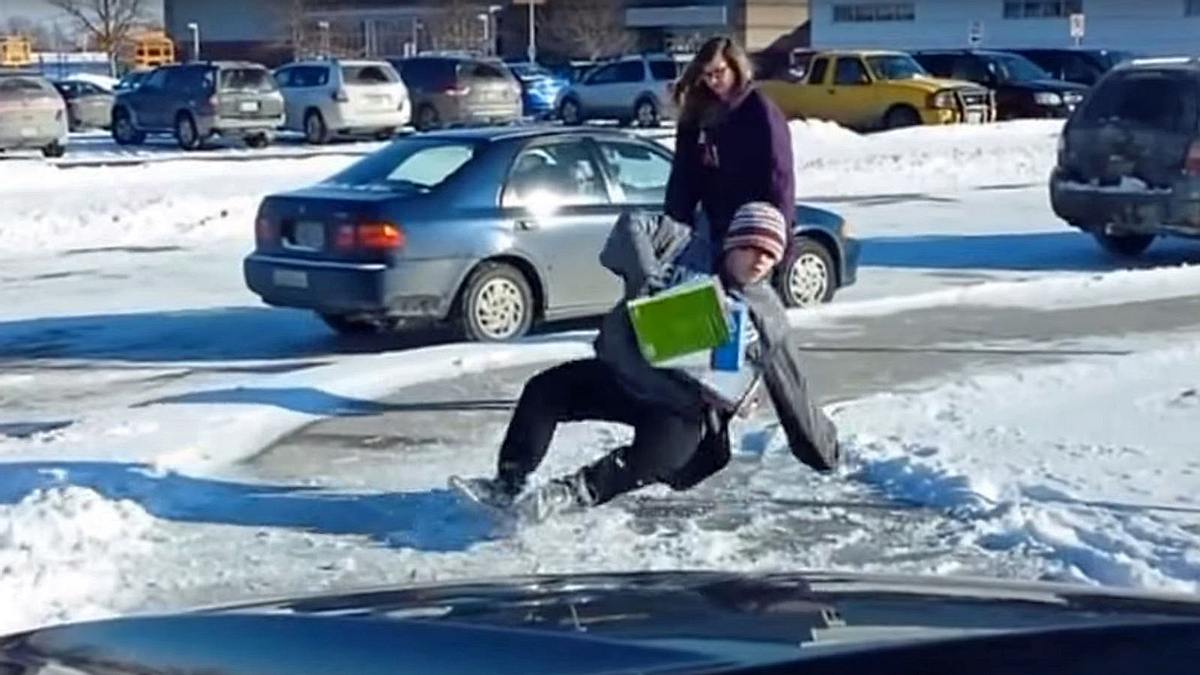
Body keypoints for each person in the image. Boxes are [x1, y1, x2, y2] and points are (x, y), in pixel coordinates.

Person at [453, 202, 840, 521]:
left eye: (771, 255)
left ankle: (570, 494)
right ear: (731, 243)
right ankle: (507, 485)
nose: (761, 261)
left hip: (679, 411)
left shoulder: (766, 315)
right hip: (624, 376)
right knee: (543, 390)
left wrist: (822, 451)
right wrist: (649, 283)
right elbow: (630, 225)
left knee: (657, 457)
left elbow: (793, 388)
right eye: (752, 248)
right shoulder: (684, 247)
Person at [666, 36, 796, 253]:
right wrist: (675, 222)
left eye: (719, 72)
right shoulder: (697, 112)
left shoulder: (758, 110)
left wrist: (783, 232)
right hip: (711, 222)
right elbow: (683, 173)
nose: (714, 81)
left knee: (742, 284)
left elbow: (780, 175)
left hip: (752, 225)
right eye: (707, 75)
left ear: (736, 67)